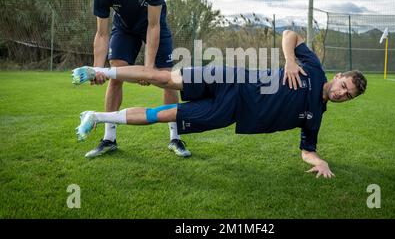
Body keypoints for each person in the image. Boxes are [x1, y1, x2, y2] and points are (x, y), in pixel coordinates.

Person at [73, 30, 367, 178]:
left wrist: (321, 162)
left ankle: (96, 116)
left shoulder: (315, 117)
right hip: (230, 77)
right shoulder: (314, 69)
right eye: (344, 86)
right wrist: (290, 60)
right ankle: (99, 72)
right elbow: (290, 34)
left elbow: (307, 152)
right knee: (162, 77)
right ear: (339, 76)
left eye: (348, 95)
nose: (342, 93)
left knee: (160, 115)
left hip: (228, 112)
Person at [89, 0, 190, 158]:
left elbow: (153, 26)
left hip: (154, 26)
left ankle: (175, 138)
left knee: (166, 78)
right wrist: (97, 68)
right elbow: (101, 33)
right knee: (115, 74)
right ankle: (109, 139)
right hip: (124, 29)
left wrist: (148, 69)